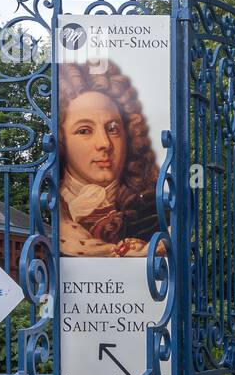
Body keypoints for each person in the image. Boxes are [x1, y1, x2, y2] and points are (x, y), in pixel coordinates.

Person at [57, 59, 161, 258]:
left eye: (113, 129)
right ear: (62, 140)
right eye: (84, 130)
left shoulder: (153, 210)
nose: (104, 143)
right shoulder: (49, 205)